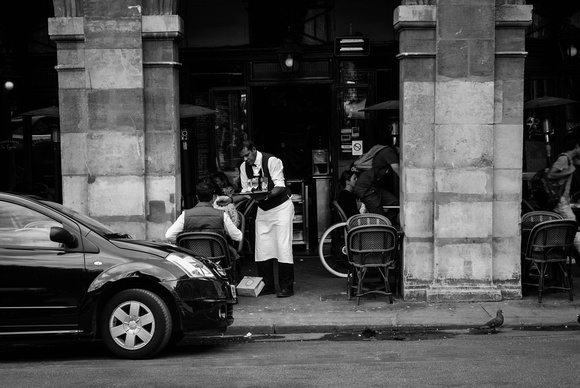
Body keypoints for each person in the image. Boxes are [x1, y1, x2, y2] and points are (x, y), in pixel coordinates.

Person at [238, 140, 295, 297]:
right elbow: (246, 191)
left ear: (254, 149)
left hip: (281, 207)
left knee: (283, 246)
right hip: (263, 209)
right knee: (262, 247)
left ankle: (287, 287)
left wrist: (266, 195)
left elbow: (280, 186)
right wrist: (231, 200)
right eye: (242, 157)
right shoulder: (244, 167)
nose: (245, 159)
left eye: (247, 155)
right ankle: (268, 285)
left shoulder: (271, 161)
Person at [165, 180, 243, 259]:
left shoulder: (185, 215)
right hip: (218, 259)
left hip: (194, 259)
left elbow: (169, 236)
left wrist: (184, 242)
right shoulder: (222, 215)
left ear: (197, 197)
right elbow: (238, 237)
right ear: (213, 198)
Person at [353, 146, 400, 225]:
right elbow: (396, 167)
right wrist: (406, 181)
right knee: (380, 218)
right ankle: (384, 226)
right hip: (367, 187)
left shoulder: (385, 151)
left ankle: (387, 225)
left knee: (395, 203)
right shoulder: (389, 152)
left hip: (374, 186)